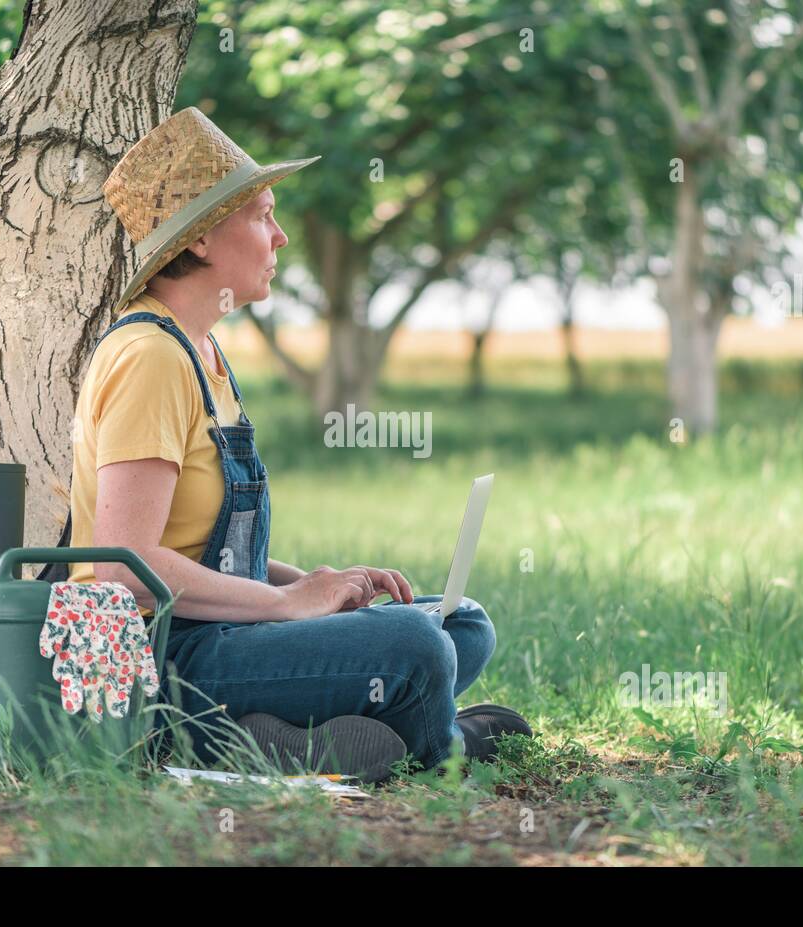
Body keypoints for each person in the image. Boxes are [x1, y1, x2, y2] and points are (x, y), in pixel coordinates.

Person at [43, 107, 531, 782]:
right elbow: (124, 570)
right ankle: (437, 745)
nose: (282, 236)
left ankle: (261, 737)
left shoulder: (200, 351)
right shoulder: (149, 358)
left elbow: (197, 544)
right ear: (206, 238)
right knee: (419, 645)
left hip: (208, 636)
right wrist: (283, 608)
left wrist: (312, 584)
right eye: (264, 215)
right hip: (146, 663)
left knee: (461, 624)